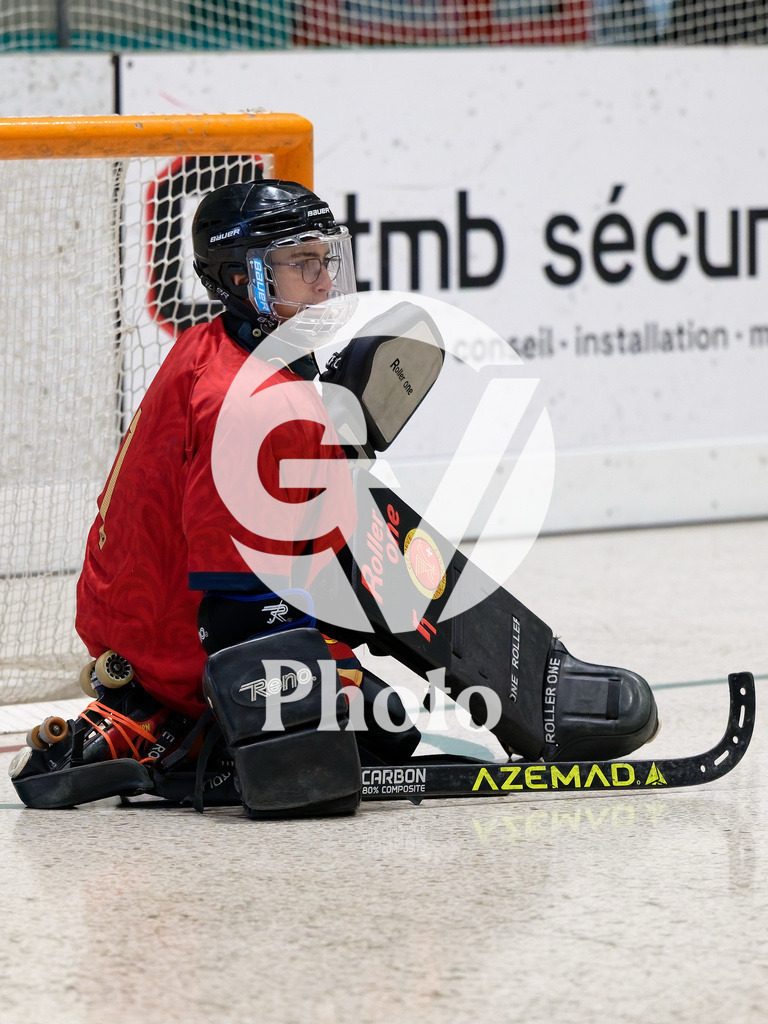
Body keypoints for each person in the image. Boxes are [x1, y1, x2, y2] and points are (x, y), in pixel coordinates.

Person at [9, 178, 659, 818]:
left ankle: (538, 677)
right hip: (178, 642)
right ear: (242, 279)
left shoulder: (219, 345)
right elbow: (234, 605)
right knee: (387, 732)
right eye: (299, 264)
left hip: (135, 610)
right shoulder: (246, 407)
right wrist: (281, 706)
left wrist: (326, 458)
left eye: (326, 259)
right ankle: (177, 720)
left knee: (367, 521)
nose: (323, 281)